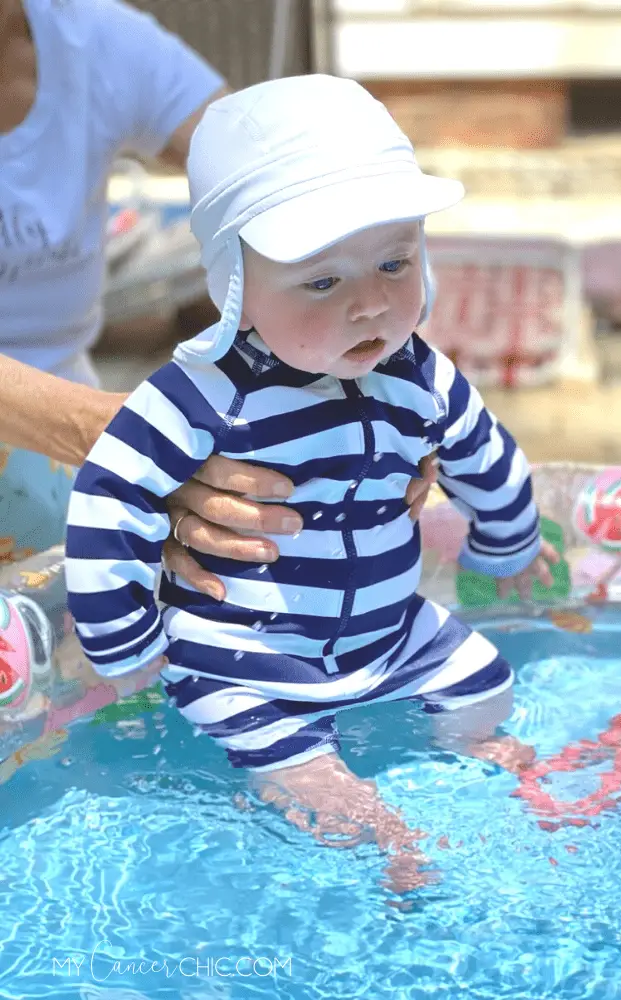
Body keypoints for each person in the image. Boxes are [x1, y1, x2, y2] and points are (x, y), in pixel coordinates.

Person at [64, 76, 559, 893]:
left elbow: (486, 456)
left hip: (393, 634)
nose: (370, 305)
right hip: (247, 654)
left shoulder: (421, 375)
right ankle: (334, 797)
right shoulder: (204, 394)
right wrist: (125, 645)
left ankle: (480, 761)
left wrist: (510, 547)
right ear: (234, 287)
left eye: (395, 262)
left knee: (485, 682)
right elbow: (108, 496)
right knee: (274, 740)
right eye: (321, 281)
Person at [0, 0, 436, 590]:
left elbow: (269, 167)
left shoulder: (90, 40)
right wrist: (124, 441)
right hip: (74, 433)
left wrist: (396, 380)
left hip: (74, 446)